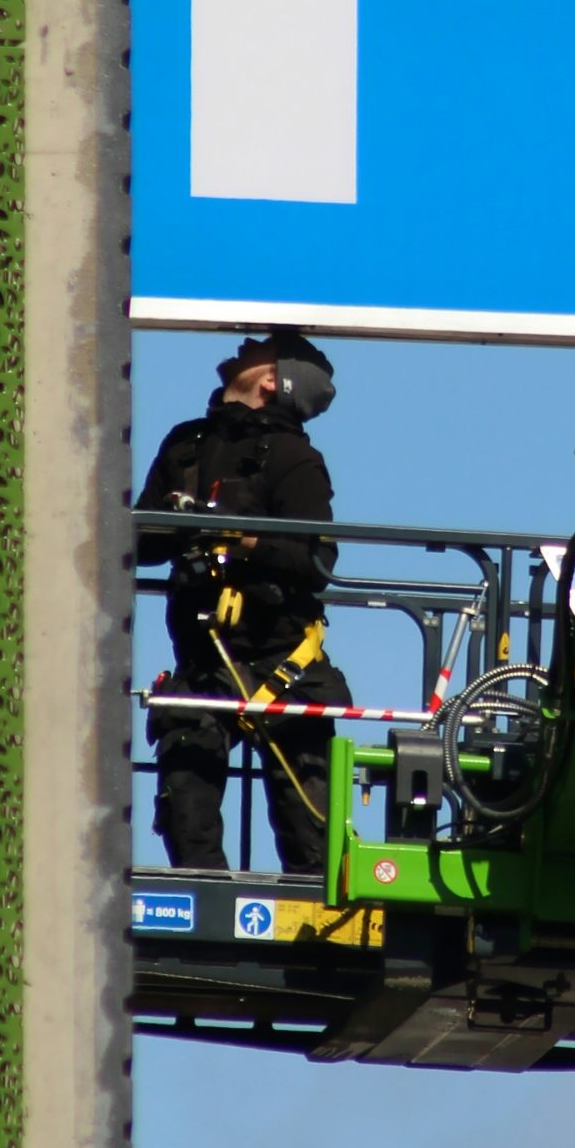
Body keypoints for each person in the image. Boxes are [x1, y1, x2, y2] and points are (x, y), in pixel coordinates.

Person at [136, 330, 349, 874]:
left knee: (310, 830)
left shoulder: (294, 458)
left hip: (284, 661)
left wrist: (245, 541)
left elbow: (317, 562)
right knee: (185, 805)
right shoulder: (186, 445)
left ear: (274, 379)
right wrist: (176, 525)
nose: (245, 342)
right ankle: (202, 909)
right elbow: (140, 544)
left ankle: (317, 932)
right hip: (205, 664)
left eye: (261, 346)